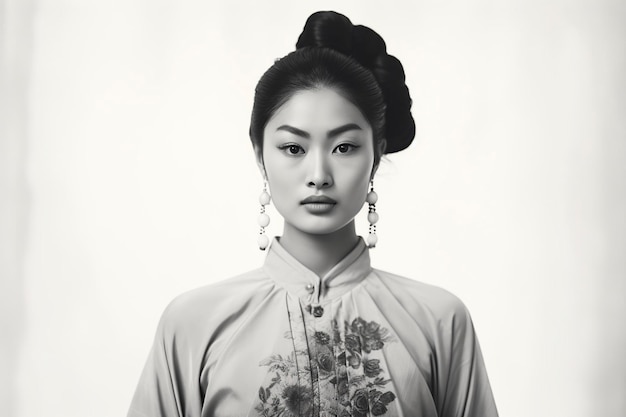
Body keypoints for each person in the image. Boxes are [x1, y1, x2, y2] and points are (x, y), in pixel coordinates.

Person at [128, 11, 498, 417]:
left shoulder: (438, 323)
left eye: (344, 147)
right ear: (260, 156)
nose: (319, 175)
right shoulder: (194, 325)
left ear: (376, 157)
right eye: (293, 148)